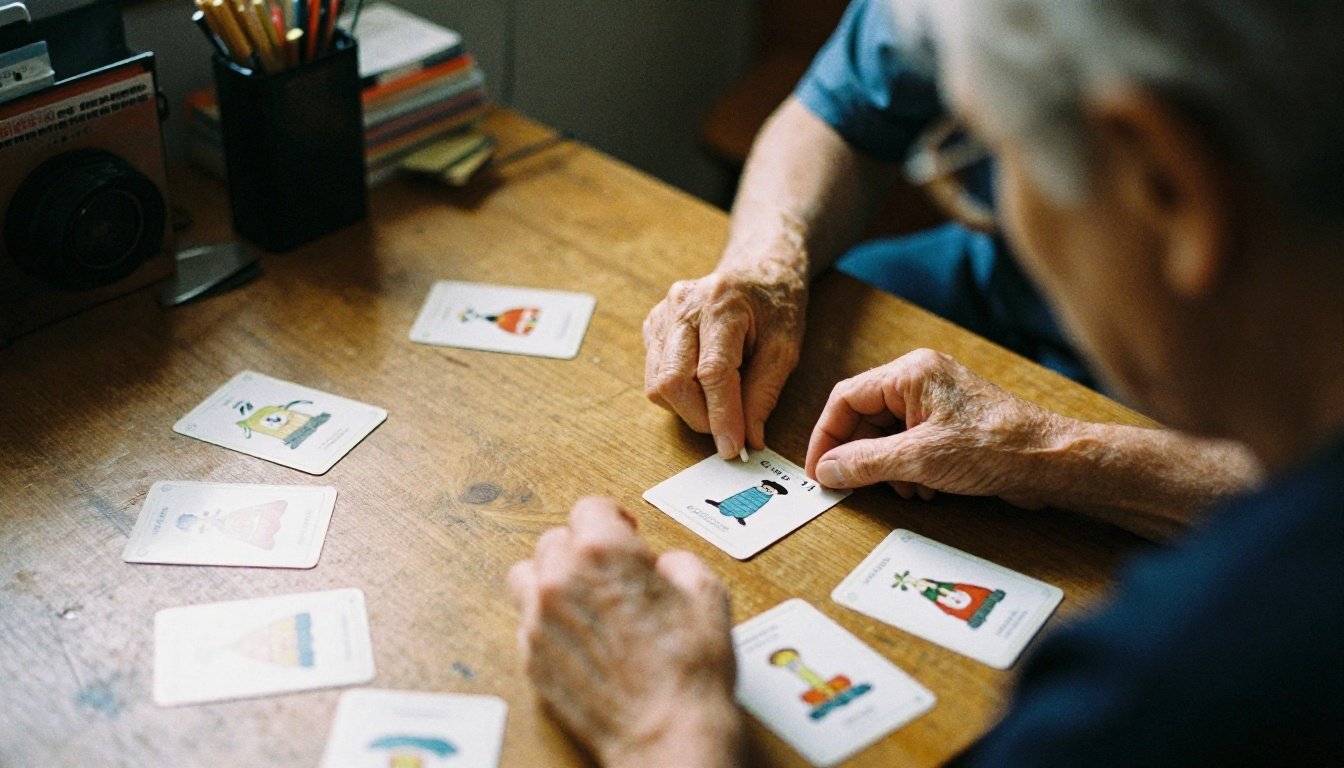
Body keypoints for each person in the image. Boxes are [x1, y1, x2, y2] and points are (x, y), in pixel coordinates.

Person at [509, 0, 1344, 765]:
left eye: (994, 155)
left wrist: (664, 729)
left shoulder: (1152, 690)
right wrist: (769, 261)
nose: (999, 204)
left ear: (1165, 183)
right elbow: (834, 111)